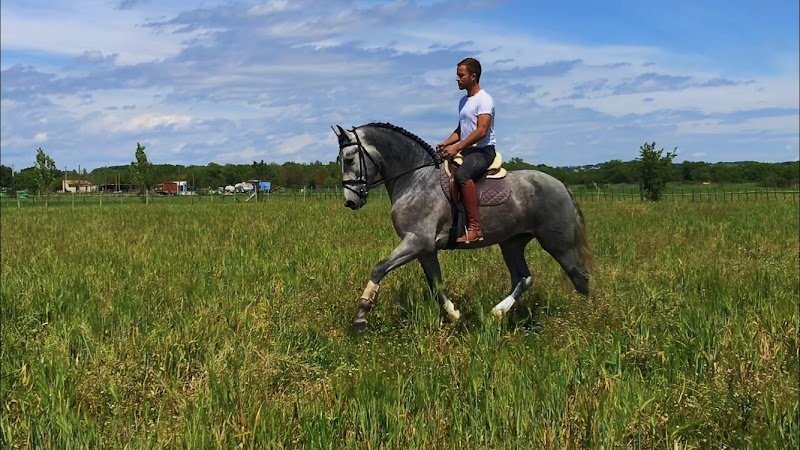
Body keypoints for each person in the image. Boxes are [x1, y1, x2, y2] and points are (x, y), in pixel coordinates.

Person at [436, 57, 496, 243]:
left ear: (473, 76)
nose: (457, 79)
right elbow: (461, 130)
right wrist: (446, 143)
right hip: (467, 151)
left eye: (461, 75)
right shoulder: (464, 101)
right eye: (457, 75)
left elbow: (481, 130)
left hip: (483, 151)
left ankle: (475, 229)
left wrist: (457, 147)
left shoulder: (484, 99)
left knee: (462, 175)